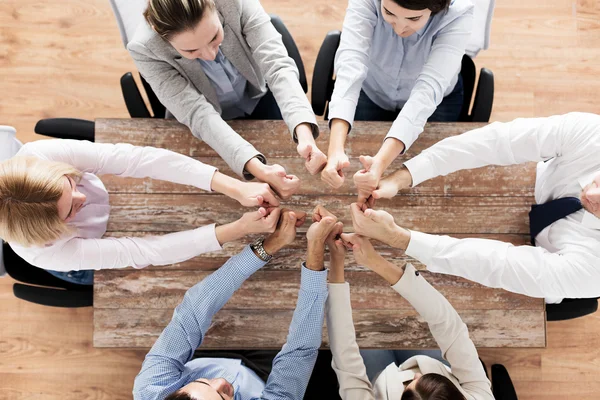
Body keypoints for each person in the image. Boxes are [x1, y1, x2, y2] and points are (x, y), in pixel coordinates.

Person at [350, 112, 600, 302]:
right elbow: (496, 142)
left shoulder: (595, 272)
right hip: (533, 184)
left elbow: (498, 265)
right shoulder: (593, 134)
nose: (591, 192)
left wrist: (399, 238)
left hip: (546, 270)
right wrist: (403, 177)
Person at [0, 139, 281, 285]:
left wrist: (234, 187)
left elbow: (137, 159)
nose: (82, 196)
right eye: (71, 210)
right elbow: (140, 252)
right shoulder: (43, 251)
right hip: (80, 260)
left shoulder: (39, 155)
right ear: (53, 231)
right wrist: (240, 229)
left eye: (71, 183)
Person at [132, 207, 340, 400]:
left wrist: (271, 243)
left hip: (209, 352)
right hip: (264, 378)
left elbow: (193, 310)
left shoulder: (152, 388)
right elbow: (299, 351)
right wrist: (315, 248)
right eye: (223, 396)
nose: (222, 382)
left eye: (204, 383)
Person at [128, 0, 328, 199]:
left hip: (257, 96)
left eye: (214, 37)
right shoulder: (144, 47)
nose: (209, 54)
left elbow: (277, 66)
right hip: (204, 127)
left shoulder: (234, 2)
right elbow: (198, 115)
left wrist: (304, 136)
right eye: (191, 51)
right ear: (160, 34)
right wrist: (259, 169)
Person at [321, 0, 474, 205]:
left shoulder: (459, 12)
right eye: (389, 13)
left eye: (414, 18)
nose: (400, 28)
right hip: (374, 89)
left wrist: (380, 164)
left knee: (433, 179)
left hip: (436, 103)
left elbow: (427, 91)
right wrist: (335, 149)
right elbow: (351, 64)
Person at [325, 232, 493, 399]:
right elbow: (448, 324)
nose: (417, 375)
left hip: (380, 383)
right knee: (415, 331)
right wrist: (374, 260)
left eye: (410, 385)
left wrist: (337, 259)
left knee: (369, 340)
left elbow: (345, 356)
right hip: (433, 363)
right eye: (421, 379)